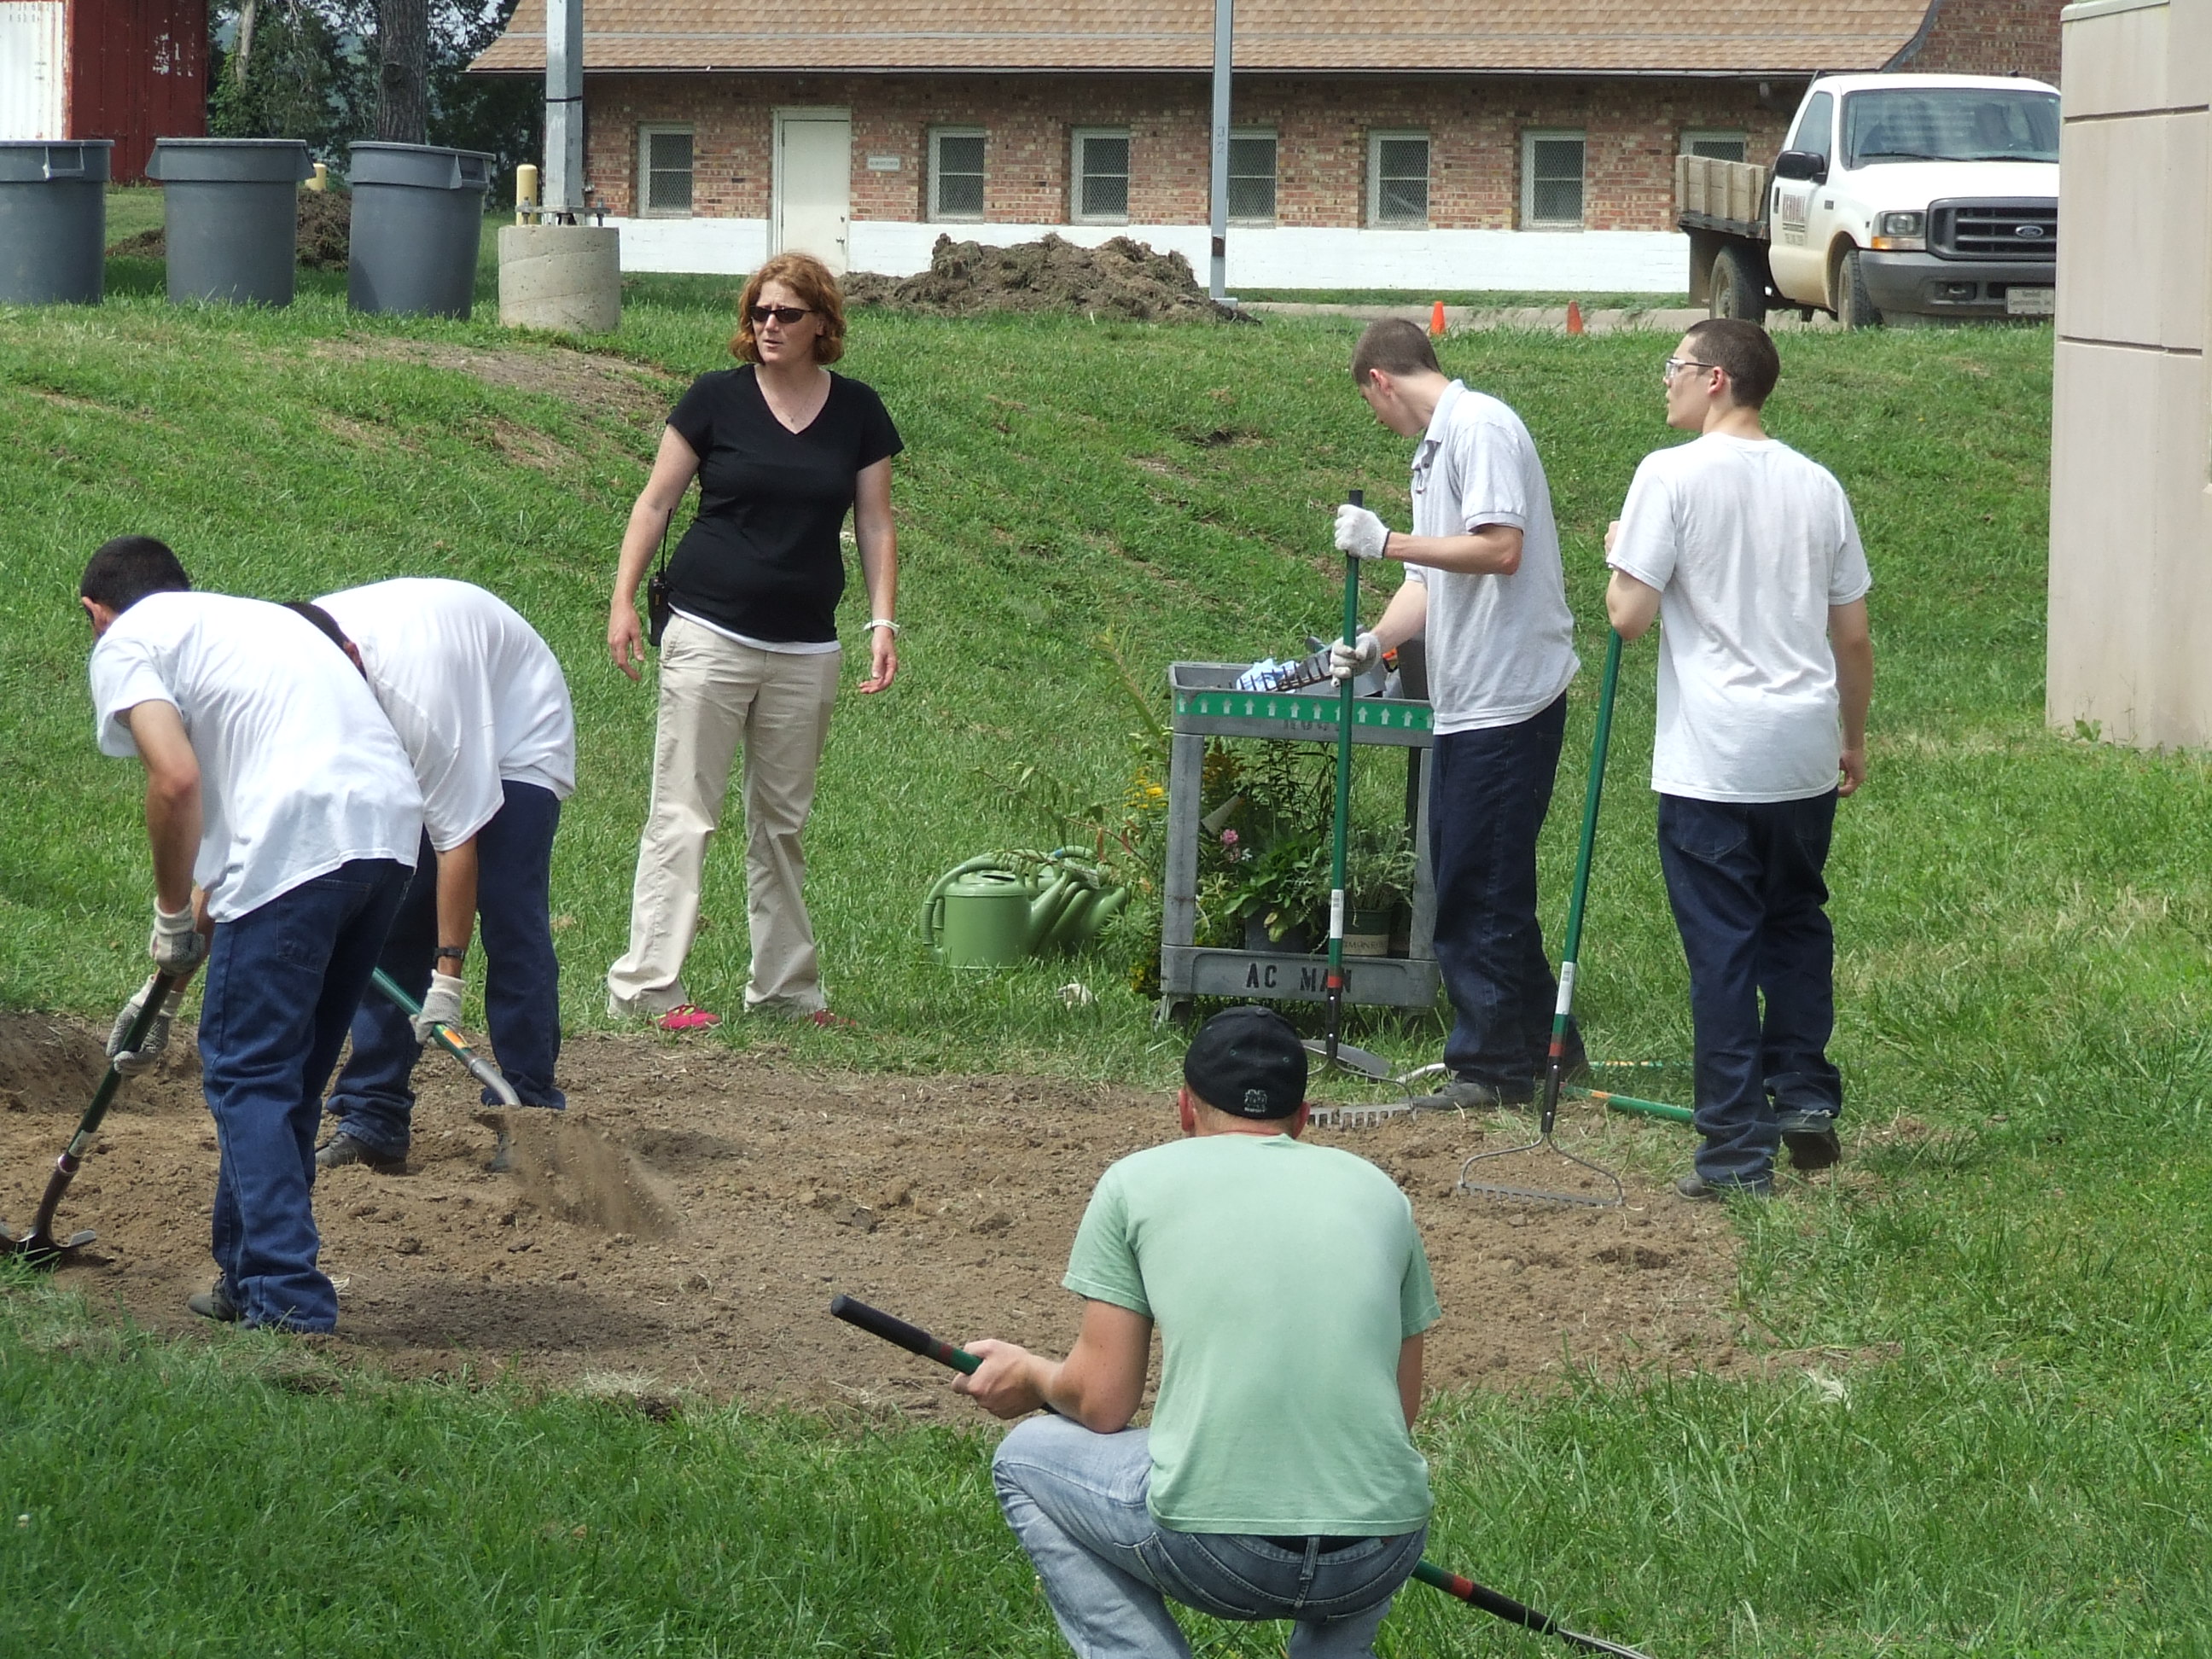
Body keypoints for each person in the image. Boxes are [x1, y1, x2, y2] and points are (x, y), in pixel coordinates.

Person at [956, 1004, 1439, 1659]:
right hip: (1378, 1552)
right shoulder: (1382, 1194)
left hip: (1216, 1550)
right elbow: (1399, 1413)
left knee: (1024, 1460)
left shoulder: (1135, 1183)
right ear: (1302, 1118)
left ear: (1185, 1108)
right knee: (1368, 1478)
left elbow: (1103, 1403)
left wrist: (1032, 1375)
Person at [79, 537, 421, 1330]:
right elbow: (230, 859)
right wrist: (162, 990)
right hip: (387, 837)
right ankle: (245, 1274)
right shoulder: (257, 625)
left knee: (247, 1075)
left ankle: (284, 1298)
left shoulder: (128, 641)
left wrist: (167, 920)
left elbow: (176, 779)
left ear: (95, 614)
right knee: (289, 1077)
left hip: (301, 841)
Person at [1604, 318, 1874, 1199]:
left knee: (1723, 945)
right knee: (1794, 920)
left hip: (1713, 758)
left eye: (1675, 368)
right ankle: (1801, 1094)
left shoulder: (1668, 476)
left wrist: (1619, 554)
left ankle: (1732, 1152)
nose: (1665, 382)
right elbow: (1854, 635)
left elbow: (1628, 618)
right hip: (1801, 749)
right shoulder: (1818, 485)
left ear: (1717, 378)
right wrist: (1853, 734)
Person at [605, 251, 902, 1032]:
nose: (769, 326)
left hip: (807, 646)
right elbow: (655, 503)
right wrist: (623, 601)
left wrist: (881, 621)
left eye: (786, 315)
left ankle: (785, 990)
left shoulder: (859, 412)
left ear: (821, 325)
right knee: (683, 813)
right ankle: (647, 986)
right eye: (760, 313)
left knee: (782, 825)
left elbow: (873, 522)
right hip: (707, 630)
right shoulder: (714, 401)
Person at [1330, 318, 1583, 1107]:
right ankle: (1549, 1044)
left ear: (1382, 380)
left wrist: (1390, 542)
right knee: (1480, 873)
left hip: (1511, 694)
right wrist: (1374, 643)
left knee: (1481, 886)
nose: (1378, 419)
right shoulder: (1433, 450)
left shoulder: (1482, 428)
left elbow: (1499, 548)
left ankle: (1492, 1069)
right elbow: (1432, 587)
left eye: (1371, 404)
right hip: (1467, 698)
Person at [287, 578, 576, 1172]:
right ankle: (374, 1114)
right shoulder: (292, 658)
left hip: (517, 725)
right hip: (426, 719)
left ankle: (531, 1116)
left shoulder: (417, 693)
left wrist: (448, 978)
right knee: (389, 913)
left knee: (509, 914)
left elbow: (457, 841)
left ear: (348, 660)